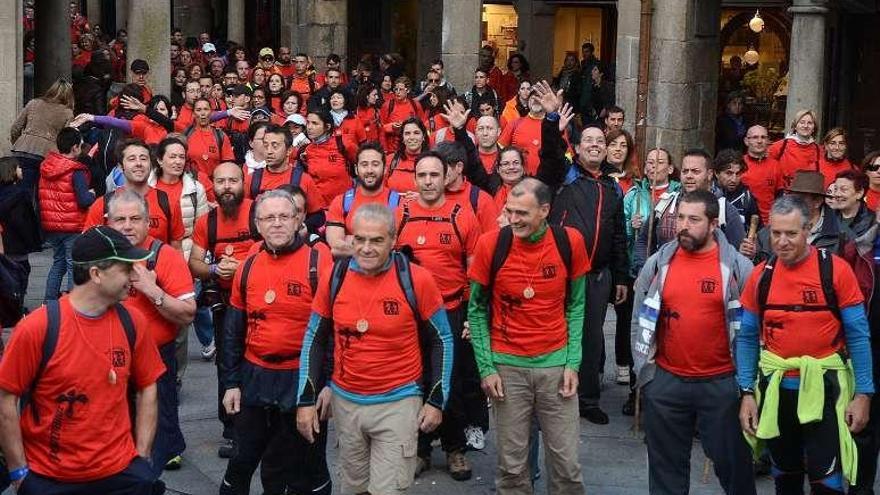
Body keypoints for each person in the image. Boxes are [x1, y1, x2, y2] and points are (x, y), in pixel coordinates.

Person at [297, 203, 453, 495]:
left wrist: (436, 399)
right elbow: (314, 337)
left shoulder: (417, 279)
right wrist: (305, 399)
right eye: (360, 239)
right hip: (347, 403)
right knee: (353, 489)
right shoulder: (336, 276)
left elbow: (442, 339)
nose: (367, 248)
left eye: (377, 240)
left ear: (393, 241)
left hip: (398, 402)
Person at [0, 226, 166, 494]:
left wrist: (142, 458)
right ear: (96, 274)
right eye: (125, 268)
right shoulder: (37, 328)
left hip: (121, 474)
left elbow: (148, 386)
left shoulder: (133, 322)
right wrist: (19, 471)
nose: (136, 275)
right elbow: (5, 398)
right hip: (51, 478)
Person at [737, 195, 873, 495]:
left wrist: (863, 393)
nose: (782, 241)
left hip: (826, 390)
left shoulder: (836, 271)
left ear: (808, 229)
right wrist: (746, 393)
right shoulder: (761, 276)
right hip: (778, 391)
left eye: (791, 233)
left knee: (827, 482)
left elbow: (858, 335)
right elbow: (746, 338)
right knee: (784, 477)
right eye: (776, 233)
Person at [631, 189, 757, 494]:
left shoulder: (738, 268)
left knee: (735, 468)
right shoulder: (659, 264)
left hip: (722, 386)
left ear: (714, 224)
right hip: (666, 382)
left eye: (694, 219)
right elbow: (638, 319)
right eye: (680, 218)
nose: (683, 226)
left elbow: (753, 332)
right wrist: (647, 377)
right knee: (666, 473)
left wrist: (745, 388)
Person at [469, 178, 589, 494]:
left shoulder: (569, 241)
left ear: (545, 211)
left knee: (566, 467)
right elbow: (477, 309)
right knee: (511, 468)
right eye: (510, 211)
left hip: (556, 365)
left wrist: (572, 362)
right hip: (507, 368)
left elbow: (577, 306)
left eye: (522, 213)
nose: (513, 219)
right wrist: (487, 368)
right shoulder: (490, 245)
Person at [219, 189, 332, 495]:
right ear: (257, 223)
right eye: (269, 217)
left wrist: (328, 384)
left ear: (298, 220)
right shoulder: (248, 267)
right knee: (241, 462)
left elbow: (333, 331)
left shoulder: (319, 264)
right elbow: (232, 331)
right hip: (255, 376)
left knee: (307, 465)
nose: (277, 223)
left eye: (285, 216)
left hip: (302, 378)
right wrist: (231, 382)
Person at [533, 81, 629, 423]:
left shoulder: (611, 187)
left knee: (591, 340)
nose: (595, 145)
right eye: (588, 140)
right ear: (577, 146)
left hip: (598, 276)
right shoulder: (563, 176)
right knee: (555, 334)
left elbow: (619, 235)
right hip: (560, 271)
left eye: (600, 142)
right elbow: (549, 156)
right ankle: (548, 394)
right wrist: (550, 120)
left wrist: (620, 276)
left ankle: (587, 400)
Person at [394, 152, 481, 480]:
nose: (428, 181)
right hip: (411, 314)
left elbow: (474, 270)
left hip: (450, 311)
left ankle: (455, 448)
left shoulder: (463, 214)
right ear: (414, 178)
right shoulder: (400, 212)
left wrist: (473, 315)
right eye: (422, 175)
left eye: (434, 175)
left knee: (451, 380)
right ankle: (419, 449)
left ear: (446, 177)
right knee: (414, 380)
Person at [107, 190, 195, 474]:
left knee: (156, 438)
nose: (128, 226)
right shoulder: (99, 257)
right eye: (120, 219)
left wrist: (151, 290)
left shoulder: (164, 256)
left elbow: (187, 313)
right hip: (108, 360)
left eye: (135, 219)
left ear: (148, 223)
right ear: (108, 222)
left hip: (155, 360)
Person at [189, 162, 261, 459]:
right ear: (213, 186)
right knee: (227, 365)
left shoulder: (259, 210)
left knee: (259, 363)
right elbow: (194, 262)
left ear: (242, 182)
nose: (227, 186)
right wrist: (215, 269)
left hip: (261, 303)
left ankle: (260, 425)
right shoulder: (208, 221)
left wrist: (244, 268)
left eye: (233, 180)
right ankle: (232, 430)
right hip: (226, 303)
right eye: (221, 181)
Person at [634, 148, 746, 273]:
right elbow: (643, 240)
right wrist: (643, 271)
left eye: (695, 171)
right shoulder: (665, 204)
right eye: (685, 171)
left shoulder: (726, 212)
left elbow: (737, 256)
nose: (689, 176)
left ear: (709, 174)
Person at [84, 139, 186, 249]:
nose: (138, 163)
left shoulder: (168, 202)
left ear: (150, 164)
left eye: (143, 158)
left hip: (156, 265)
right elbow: (87, 249)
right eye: (131, 159)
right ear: (120, 166)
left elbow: (176, 248)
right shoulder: (103, 205)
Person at [38, 127, 96, 301]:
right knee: (73, 264)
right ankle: (73, 302)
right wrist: (92, 194)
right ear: (75, 148)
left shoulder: (47, 166)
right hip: (72, 225)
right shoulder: (75, 170)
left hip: (51, 225)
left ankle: (48, 301)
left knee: (58, 262)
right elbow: (84, 200)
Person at [325, 142, 402, 257]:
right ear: (356, 169)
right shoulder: (341, 202)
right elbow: (336, 247)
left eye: (375, 164)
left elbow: (397, 244)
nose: (369, 170)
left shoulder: (399, 203)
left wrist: (350, 238)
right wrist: (380, 244)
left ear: (385, 169)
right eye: (364, 165)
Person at [10, 78, 75, 199]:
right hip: (46, 156)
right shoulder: (67, 113)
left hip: (20, 151)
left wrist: (19, 143)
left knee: (17, 191)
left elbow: (15, 128)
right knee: (41, 196)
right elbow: (66, 140)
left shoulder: (33, 103)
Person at [498, 86, 551, 176]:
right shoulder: (514, 124)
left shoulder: (555, 126)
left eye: (539, 97)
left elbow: (567, 157)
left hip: (547, 182)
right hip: (519, 181)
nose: (536, 100)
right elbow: (500, 152)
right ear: (528, 101)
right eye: (532, 97)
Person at [769, 109, 821, 190]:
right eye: (802, 122)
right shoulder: (779, 146)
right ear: (795, 126)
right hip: (784, 195)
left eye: (810, 123)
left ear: (814, 128)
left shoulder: (819, 150)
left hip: (809, 195)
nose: (805, 126)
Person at [742, 125, 780, 224]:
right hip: (743, 222)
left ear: (768, 141)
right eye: (755, 137)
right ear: (746, 141)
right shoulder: (738, 164)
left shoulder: (776, 166)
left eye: (763, 137)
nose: (760, 141)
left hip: (768, 224)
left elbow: (780, 198)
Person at [714, 149, 760, 226]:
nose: (734, 179)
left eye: (738, 174)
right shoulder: (708, 194)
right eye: (729, 173)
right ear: (717, 173)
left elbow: (757, 227)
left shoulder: (747, 197)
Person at [380, 76, 426, 153]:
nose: (397, 92)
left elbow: (423, 125)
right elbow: (381, 128)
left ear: (407, 90)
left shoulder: (415, 105)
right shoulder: (387, 105)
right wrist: (392, 127)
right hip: (392, 149)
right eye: (396, 89)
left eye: (400, 89)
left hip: (411, 148)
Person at [385, 117, 430, 193]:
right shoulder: (390, 160)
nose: (412, 137)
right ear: (402, 138)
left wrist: (422, 197)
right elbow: (381, 190)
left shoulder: (433, 161)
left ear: (423, 137)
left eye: (416, 133)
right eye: (407, 133)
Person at [829, 169, 874, 238]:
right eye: (835, 189)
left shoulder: (873, 222)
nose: (837, 194)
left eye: (843, 189)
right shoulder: (827, 216)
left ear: (859, 193)